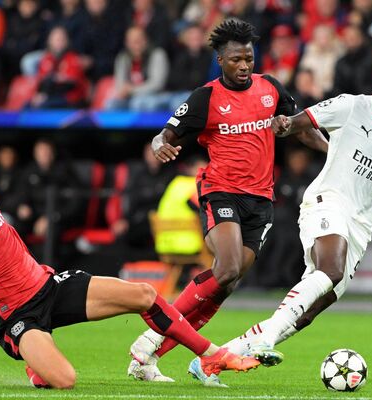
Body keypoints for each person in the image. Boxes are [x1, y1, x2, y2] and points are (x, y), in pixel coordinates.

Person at [0, 149, 260, 389]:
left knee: (144, 294)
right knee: (65, 381)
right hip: (17, 317)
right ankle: (37, 364)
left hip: (48, 286)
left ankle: (212, 355)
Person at [197, 53, 372, 387]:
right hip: (326, 201)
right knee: (331, 269)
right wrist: (283, 125)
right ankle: (265, 341)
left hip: (361, 226)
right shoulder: (350, 107)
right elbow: (296, 123)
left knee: (308, 311)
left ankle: (214, 358)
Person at [127, 18, 328, 382]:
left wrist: (332, 152)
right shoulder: (205, 97)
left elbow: (299, 126)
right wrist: (161, 145)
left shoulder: (270, 89)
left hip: (261, 200)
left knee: (227, 283)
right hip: (221, 191)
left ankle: (148, 355)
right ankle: (151, 335)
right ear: (221, 60)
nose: (244, 66)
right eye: (236, 60)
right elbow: (166, 133)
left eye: (248, 58)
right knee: (228, 267)